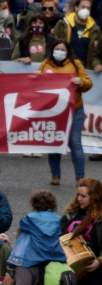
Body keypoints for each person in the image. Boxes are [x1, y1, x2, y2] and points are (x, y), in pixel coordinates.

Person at [37, 38, 91, 185]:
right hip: (54, 111)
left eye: (62, 50)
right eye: (57, 49)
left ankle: (80, 177)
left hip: (74, 109)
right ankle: (56, 175)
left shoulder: (76, 64)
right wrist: (36, 76)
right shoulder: (46, 63)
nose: (59, 52)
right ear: (52, 50)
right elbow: (36, 83)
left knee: (75, 143)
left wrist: (81, 82)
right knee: (54, 142)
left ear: (68, 52)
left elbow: (88, 83)